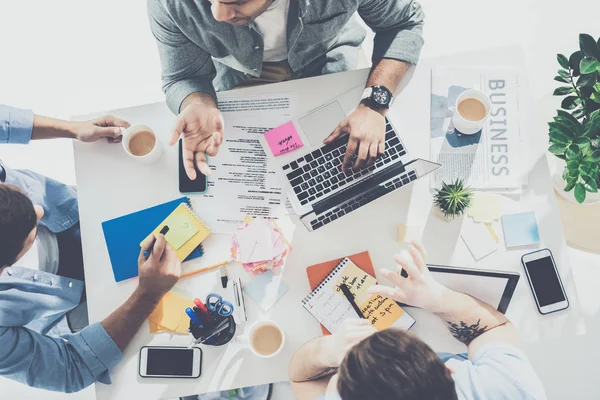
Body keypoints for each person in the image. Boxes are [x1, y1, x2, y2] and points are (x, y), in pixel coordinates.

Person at [0, 105, 182, 393]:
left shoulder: (42, 207)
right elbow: (70, 368)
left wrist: (73, 128)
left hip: (81, 215)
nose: (38, 209)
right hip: (70, 308)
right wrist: (148, 294)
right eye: (30, 228)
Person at [147, 0, 425, 179]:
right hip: (238, 76)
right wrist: (197, 104)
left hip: (327, 61)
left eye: (237, 1)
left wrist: (374, 105)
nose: (217, 15)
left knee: (340, 170)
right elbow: (183, 76)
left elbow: (404, 24)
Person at [289, 242, 547, 400]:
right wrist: (439, 299)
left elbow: (301, 380)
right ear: (449, 371)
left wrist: (329, 350)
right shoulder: (515, 390)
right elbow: (493, 329)